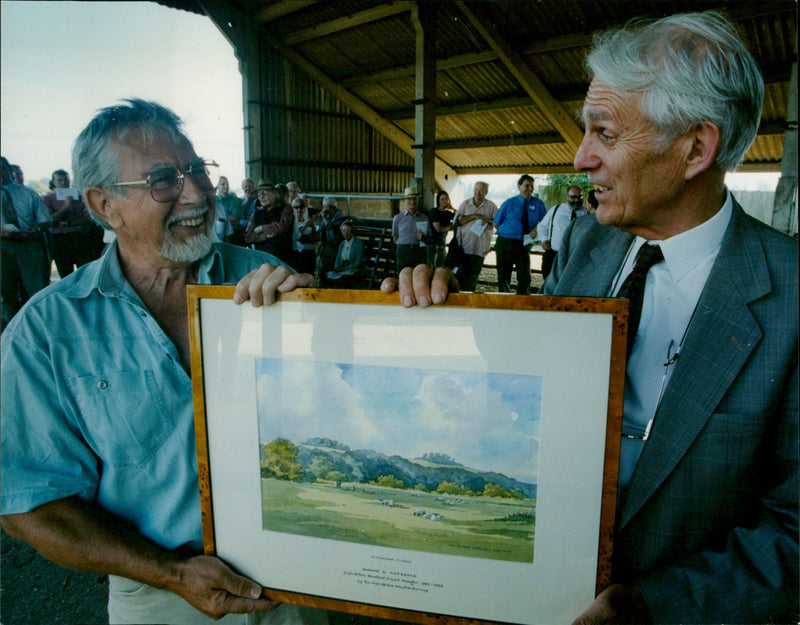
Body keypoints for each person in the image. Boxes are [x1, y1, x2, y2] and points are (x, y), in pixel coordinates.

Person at [384, 11, 798, 624]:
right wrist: (446, 314)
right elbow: (522, 379)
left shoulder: (789, 295)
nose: (580, 159)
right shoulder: (588, 243)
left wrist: (656, 607)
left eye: (605, 134)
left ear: (695, 148)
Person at [0, 99, 319, 625]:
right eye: (164, 180)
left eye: (197, 171)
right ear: (105, 206)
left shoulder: (268, 278)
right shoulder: (47, 331)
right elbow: (28, 504)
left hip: (292, 588)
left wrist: (380, 315)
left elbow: (346, 403)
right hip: (161, 597)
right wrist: (172, 574)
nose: (196, 193)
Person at [1, 157, 52, 325]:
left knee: (35, 292)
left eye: (3, 169)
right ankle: (13, 332)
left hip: (28, 245)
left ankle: (38, 327)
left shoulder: (27, 192)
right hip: (2, 249)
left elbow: (45, 220)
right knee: (7, 293)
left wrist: (36, 229)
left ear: (10, 170)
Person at [43, 169, 103, 278]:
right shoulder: (48, 198)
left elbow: (89, 218)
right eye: (59, 180)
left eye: (66, 180)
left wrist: (69, 223)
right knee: (65, 272)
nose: (63, 183)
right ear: (53, 182)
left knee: (86, 271)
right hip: (59, 238)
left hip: (79, 236)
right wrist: (66, 207)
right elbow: (50, 219)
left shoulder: (80, 196)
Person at [493, 174, 546, 294]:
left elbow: (546, 222)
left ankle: (523, 304)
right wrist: (510, 231)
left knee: (525, 277)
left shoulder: (538, 204)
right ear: (519, 186)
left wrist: (537, 228)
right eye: (526, 186)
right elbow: (496, 223)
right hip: (505, 243)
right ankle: (504, 303)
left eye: (532, 186)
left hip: (523, 244)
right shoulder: (509, 203)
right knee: (503, 276)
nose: (530, 189)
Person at [452, 181, 497, 291]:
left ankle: (468, 300)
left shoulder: (491, 206)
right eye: (476, 190)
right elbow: (458, 221)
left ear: (486, 192)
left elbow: (498, 223)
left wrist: (489, 220)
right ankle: (461, 298)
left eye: (481, 190)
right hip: (464, 248)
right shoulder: (465, 204)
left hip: (480, 249)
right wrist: (475, 216)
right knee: (460, 276)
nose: (478, 193)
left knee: (473, 278)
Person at [537, 184, 588, 280]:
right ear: (566, 197)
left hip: (575, 257)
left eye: (579, 197)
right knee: (548, 281)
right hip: (553, 255)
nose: (576, 200)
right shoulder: (556, 210)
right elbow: (542, 226)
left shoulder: (587, 213)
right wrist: (544, 240)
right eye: (573, 197)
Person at [244, 180, 294, 263]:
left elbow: (281, 227)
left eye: (265, 192)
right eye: (259, 194)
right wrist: (265, 236)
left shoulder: (286, 209)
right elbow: (248, 237)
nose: (261, 197)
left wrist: (261, 228)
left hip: (282, 259)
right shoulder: (256, 214)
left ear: (274, 194)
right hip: (261, 260)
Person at [392, 186, 431, 273]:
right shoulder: (398, 218)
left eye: (415, 199)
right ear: (405, 201)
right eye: (409, 199)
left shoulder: (424, 218)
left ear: (418, 200)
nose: (412, 202)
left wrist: (424, 238)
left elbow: (430, 240)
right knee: (403, 277)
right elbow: (395, 239)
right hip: (404, 251)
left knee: (420, 277)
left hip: (419, 252)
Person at [316, 196, 346, 280]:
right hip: (327, 244)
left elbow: (329, 226)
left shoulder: (339, 215)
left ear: (328, 207)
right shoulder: (328, 214)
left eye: (324, 206)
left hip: (336, 244)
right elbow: (322, 228)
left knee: (333, 266)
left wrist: (324, 217)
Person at [327, 221, 364, 288]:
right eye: (343, 231)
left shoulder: (358, 243)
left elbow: (358, 262)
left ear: (352, 232)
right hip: (343, 269)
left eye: (348, 231)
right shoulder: (342, 244)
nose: (345, 234)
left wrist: (344, 268)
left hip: (354, 269)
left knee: (343, 280)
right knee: (328, 277)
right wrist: (336, 267)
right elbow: (338, 258)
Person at [291, 196, 317, 275]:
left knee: (310, 273)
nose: (299, 210)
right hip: (297, 253)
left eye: (301, 207)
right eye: (296, 207)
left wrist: (311, 226)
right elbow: (296, 237)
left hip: (309, 251)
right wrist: (305, 226)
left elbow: (315, 236)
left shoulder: (309, 219)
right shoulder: (291, 220)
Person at [430, 190, 455, 267]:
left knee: (441, 266)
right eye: (442, 199)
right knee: (432, 266)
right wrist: (450, 225)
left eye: (446, 199)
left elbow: (459, 215)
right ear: (438, 201)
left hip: (442, 242)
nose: (444, 201)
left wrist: (452, 207)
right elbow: (438, 229)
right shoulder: (434, 211)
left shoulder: (448, 213)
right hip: (432, 243)